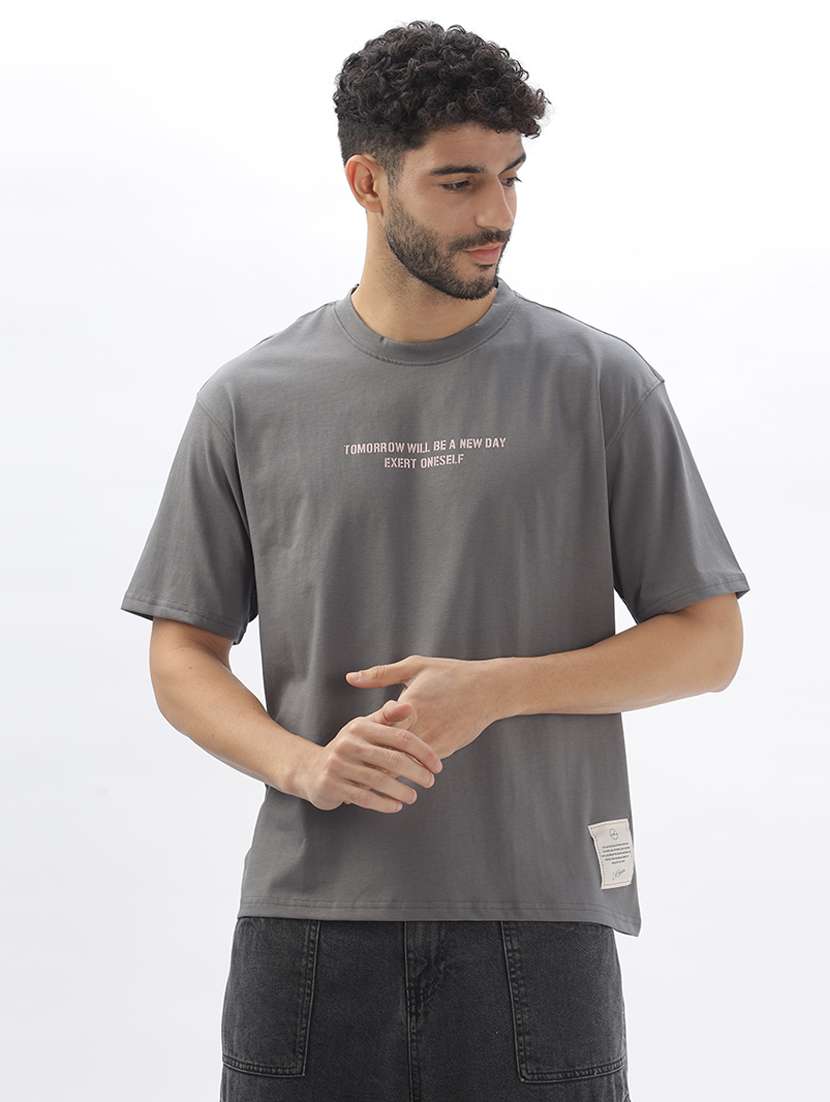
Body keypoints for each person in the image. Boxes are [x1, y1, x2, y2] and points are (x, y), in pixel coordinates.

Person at [120, 19, 750, 1102]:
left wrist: (498, 689)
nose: (496, 212)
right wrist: (301, 764)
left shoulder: (599, 382)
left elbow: (709, 644)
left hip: (537, 923)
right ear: (367, 182)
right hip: (307, 927)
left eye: (510, 176)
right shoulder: (249, 399)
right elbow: (182, 654)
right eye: (459, 182)